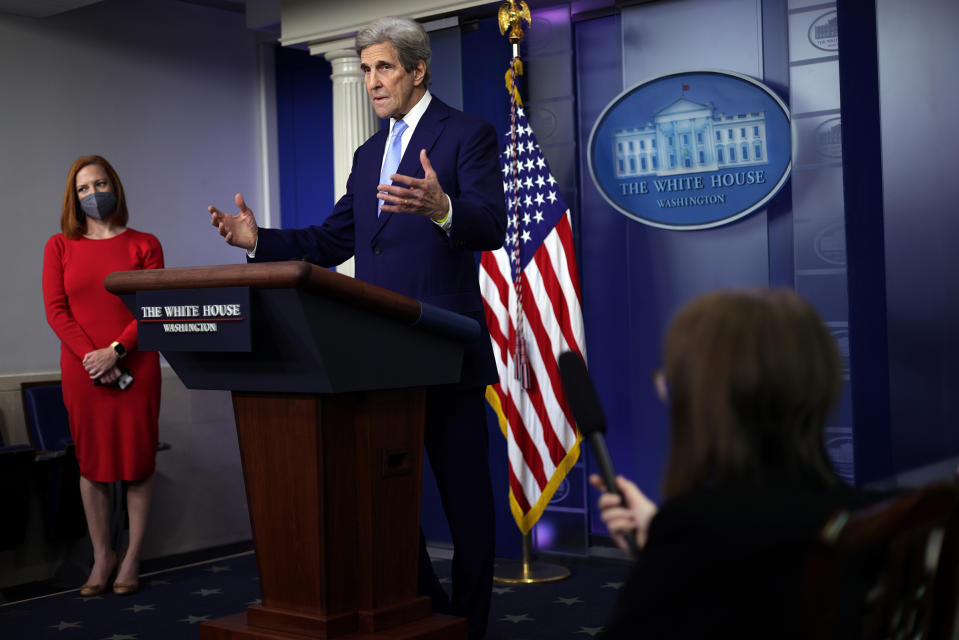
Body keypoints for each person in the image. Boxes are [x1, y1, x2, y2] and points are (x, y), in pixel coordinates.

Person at [209, 16, 505, 639]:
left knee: (468, 505)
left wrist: (443, 206)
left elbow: (491, 224)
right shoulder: (369, 154)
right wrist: (259, 239)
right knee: (390, 507)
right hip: (381, 357)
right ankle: (427, 611)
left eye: (383, 68)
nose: (371, 81)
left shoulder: (468, 134)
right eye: (366, 69)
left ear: (417, 70)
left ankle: (471, 626)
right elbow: (334, 237)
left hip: (444, 350)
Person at [590, 288, 863, 638]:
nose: (663, 390)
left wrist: (671, 545)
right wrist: (658, 541)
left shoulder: (698, 531)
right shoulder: (869, 516)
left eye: (672, 379)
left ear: (705, 399)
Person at [43, 155, 164, 596]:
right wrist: (92, 358)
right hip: (81, 371)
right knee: (91, 464)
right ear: (73, 198)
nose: (93, 194)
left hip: (136, 366)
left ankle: (131, 557)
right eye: (83, 189)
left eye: (99, 184)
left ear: (115, 185)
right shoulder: (59, 246)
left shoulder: (145, 244)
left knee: (137, 462)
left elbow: (152, 308)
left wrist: (115, 352)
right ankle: (102, 557)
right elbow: (57, 311)